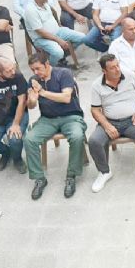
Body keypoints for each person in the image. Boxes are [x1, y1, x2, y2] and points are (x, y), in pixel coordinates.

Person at [88, 54, 135, 193]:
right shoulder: (96, 85)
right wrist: (107, 126)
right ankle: (104, 172)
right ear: (104, 71)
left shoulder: (129, 75)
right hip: (110, 121)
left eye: (118, 65)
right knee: (94, 141)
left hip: (132, 120)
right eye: (112, 68)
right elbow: (95, 110)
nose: (117, 69)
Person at [22, 52, 87, 199]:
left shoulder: (64, 73)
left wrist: (42, 92)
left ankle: (71, 175)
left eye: (38, 68)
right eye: (32, 69)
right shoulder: (33, 80)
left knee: (77, 136)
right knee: (29, 139)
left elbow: (66, 98)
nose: (35, 72)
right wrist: (32, 99)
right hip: (47, 119)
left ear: (47, 64)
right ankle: (39, 178)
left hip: (70, 116)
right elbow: (31, 106)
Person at [24, 0, 86, 65]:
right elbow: (41, 32)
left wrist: (59, 25)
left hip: (58, 31)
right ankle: (50, 67)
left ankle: (62, 56)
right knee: (58, 53)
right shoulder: (31, 10)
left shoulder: (45, 3)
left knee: (83, 38)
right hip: (41, 39)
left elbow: (53, 13)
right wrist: (59, 40)